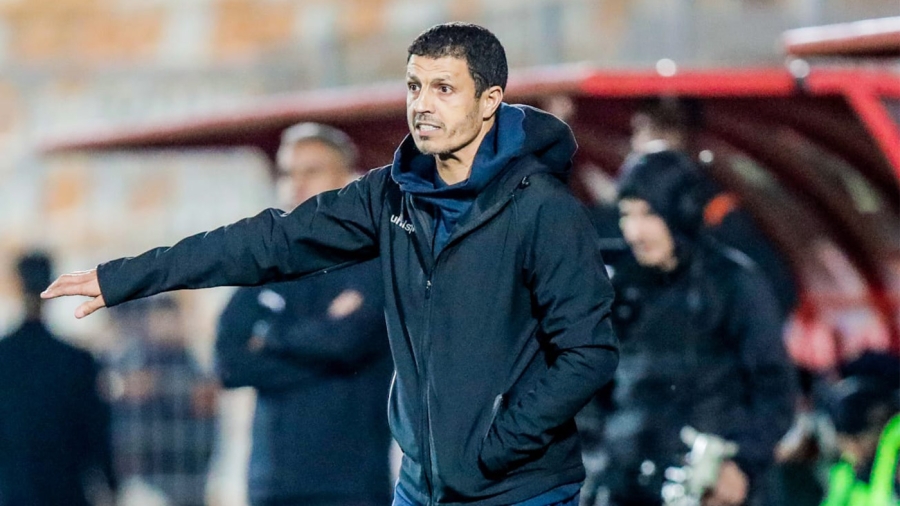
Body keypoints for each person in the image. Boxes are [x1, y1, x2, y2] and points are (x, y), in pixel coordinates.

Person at [41, 22, 619, 506]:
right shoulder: (391, 196)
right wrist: (126, 277)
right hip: (422, 488)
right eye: (414, 86)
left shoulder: (543, 210)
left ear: (489, 101)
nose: (422, 104)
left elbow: (588, 351)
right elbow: (270, 240)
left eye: (444, 88)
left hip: (519, 490)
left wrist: (497, 445)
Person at [579, 151, 796, 506]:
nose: (634, 231)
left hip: (707, 490)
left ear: (682, 212)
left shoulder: (734, 284)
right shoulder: (615, 285)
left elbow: (775, 390)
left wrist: (742, 465)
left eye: (648, 214)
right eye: (626, 214)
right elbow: (587, 392)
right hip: (624, 487)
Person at [215, 122, 393, 506]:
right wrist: (320, 347)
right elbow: (230, 363)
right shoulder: (265, 268)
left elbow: (345, 342)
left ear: (347, 179)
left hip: (350, 485)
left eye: (312, 171)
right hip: (272, 485)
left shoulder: (375, 261)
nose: (296, 184)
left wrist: (270, 339)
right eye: (287, 173)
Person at [0, 251, 118, 506]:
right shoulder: (77, 361)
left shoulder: (4, 357)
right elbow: (96, 432)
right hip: (66, 492)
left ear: (17, 285)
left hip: (11, 492)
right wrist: (112, 484)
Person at [105, 295, 218, 506]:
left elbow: (205, 400)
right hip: (145, 475)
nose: (166, 327)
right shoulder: (130, 359)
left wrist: (158, 384)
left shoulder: (194, 362)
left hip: (187, 472)